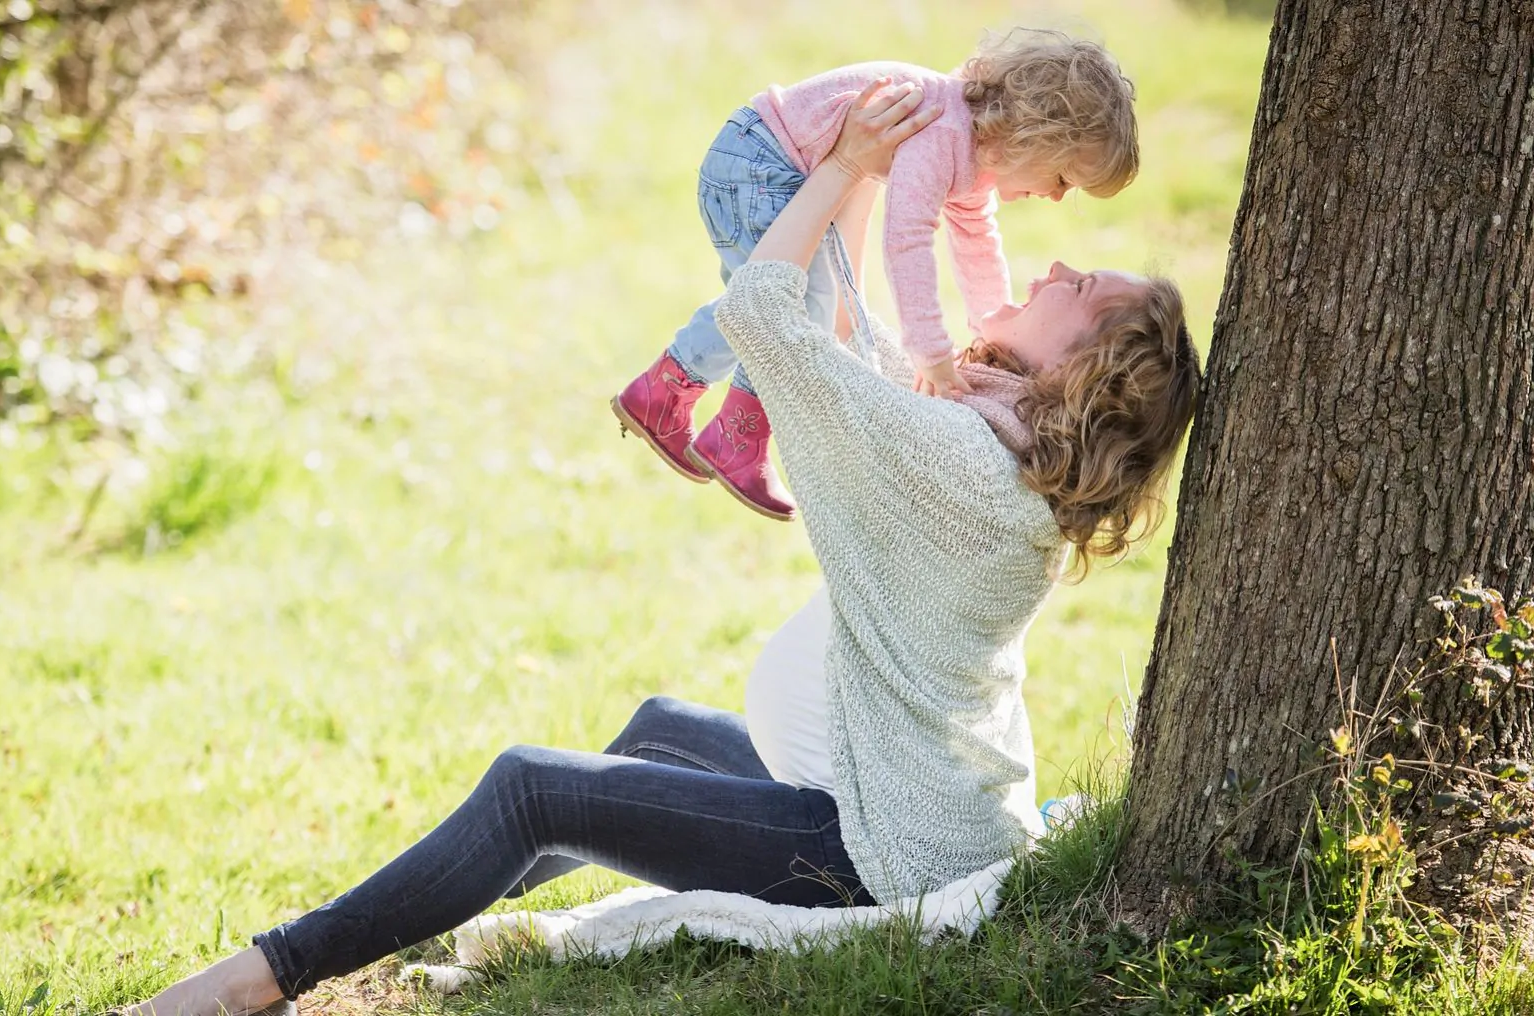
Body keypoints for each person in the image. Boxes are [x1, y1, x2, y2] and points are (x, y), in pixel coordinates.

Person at [119, 80, 1199, 1016]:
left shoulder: (959, 467)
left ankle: (261, 975)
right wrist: (869, 170)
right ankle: (403, 913)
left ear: (1085, 373)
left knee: (533, 788)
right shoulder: (985, 445)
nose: (1057, 263)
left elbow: (767, 318)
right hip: (898, 810)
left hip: (872, 861)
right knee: (657, 734)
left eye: (1084, 292)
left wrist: (834, 170)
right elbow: (845, 344)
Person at [611, 28, 1139, 521]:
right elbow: (906, 239)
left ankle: (666, 393)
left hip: (767, 163)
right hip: (758, 165)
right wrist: (930, 351)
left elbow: (977, 245)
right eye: (1063, 178)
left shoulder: (975, 154)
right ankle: (734, 434)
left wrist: (989, 330)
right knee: (786, 304)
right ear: (1033, 135)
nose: (1053, 196)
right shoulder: (945, 132)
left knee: (785, 300)